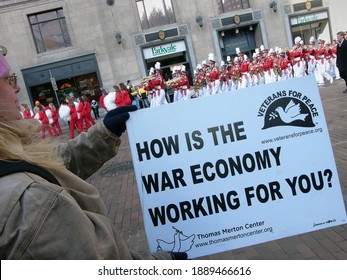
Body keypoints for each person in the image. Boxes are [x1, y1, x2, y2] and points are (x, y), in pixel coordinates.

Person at [0, 52, 186, 260]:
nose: (16, 87)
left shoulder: (10, 156)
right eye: (8, 80)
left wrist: (105, 133)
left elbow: (50, 164)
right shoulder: (34, 200)